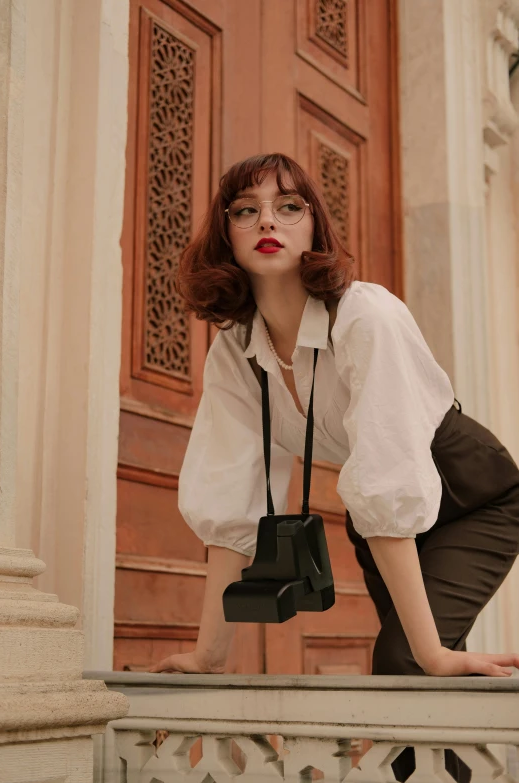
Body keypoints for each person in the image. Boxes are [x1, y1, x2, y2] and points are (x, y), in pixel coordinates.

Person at [148, 152, 519, 779]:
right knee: (414, 676)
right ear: (227, 234)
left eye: (289, 206)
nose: (269, 219)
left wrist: (431, 654)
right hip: (382, 517)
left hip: (471, 499)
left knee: (408, 664)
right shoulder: (237, 351)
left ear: (315, 226)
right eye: (247, 210)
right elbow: (234, 500)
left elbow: (390, 478)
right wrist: (210, 656)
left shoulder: (366, 316)